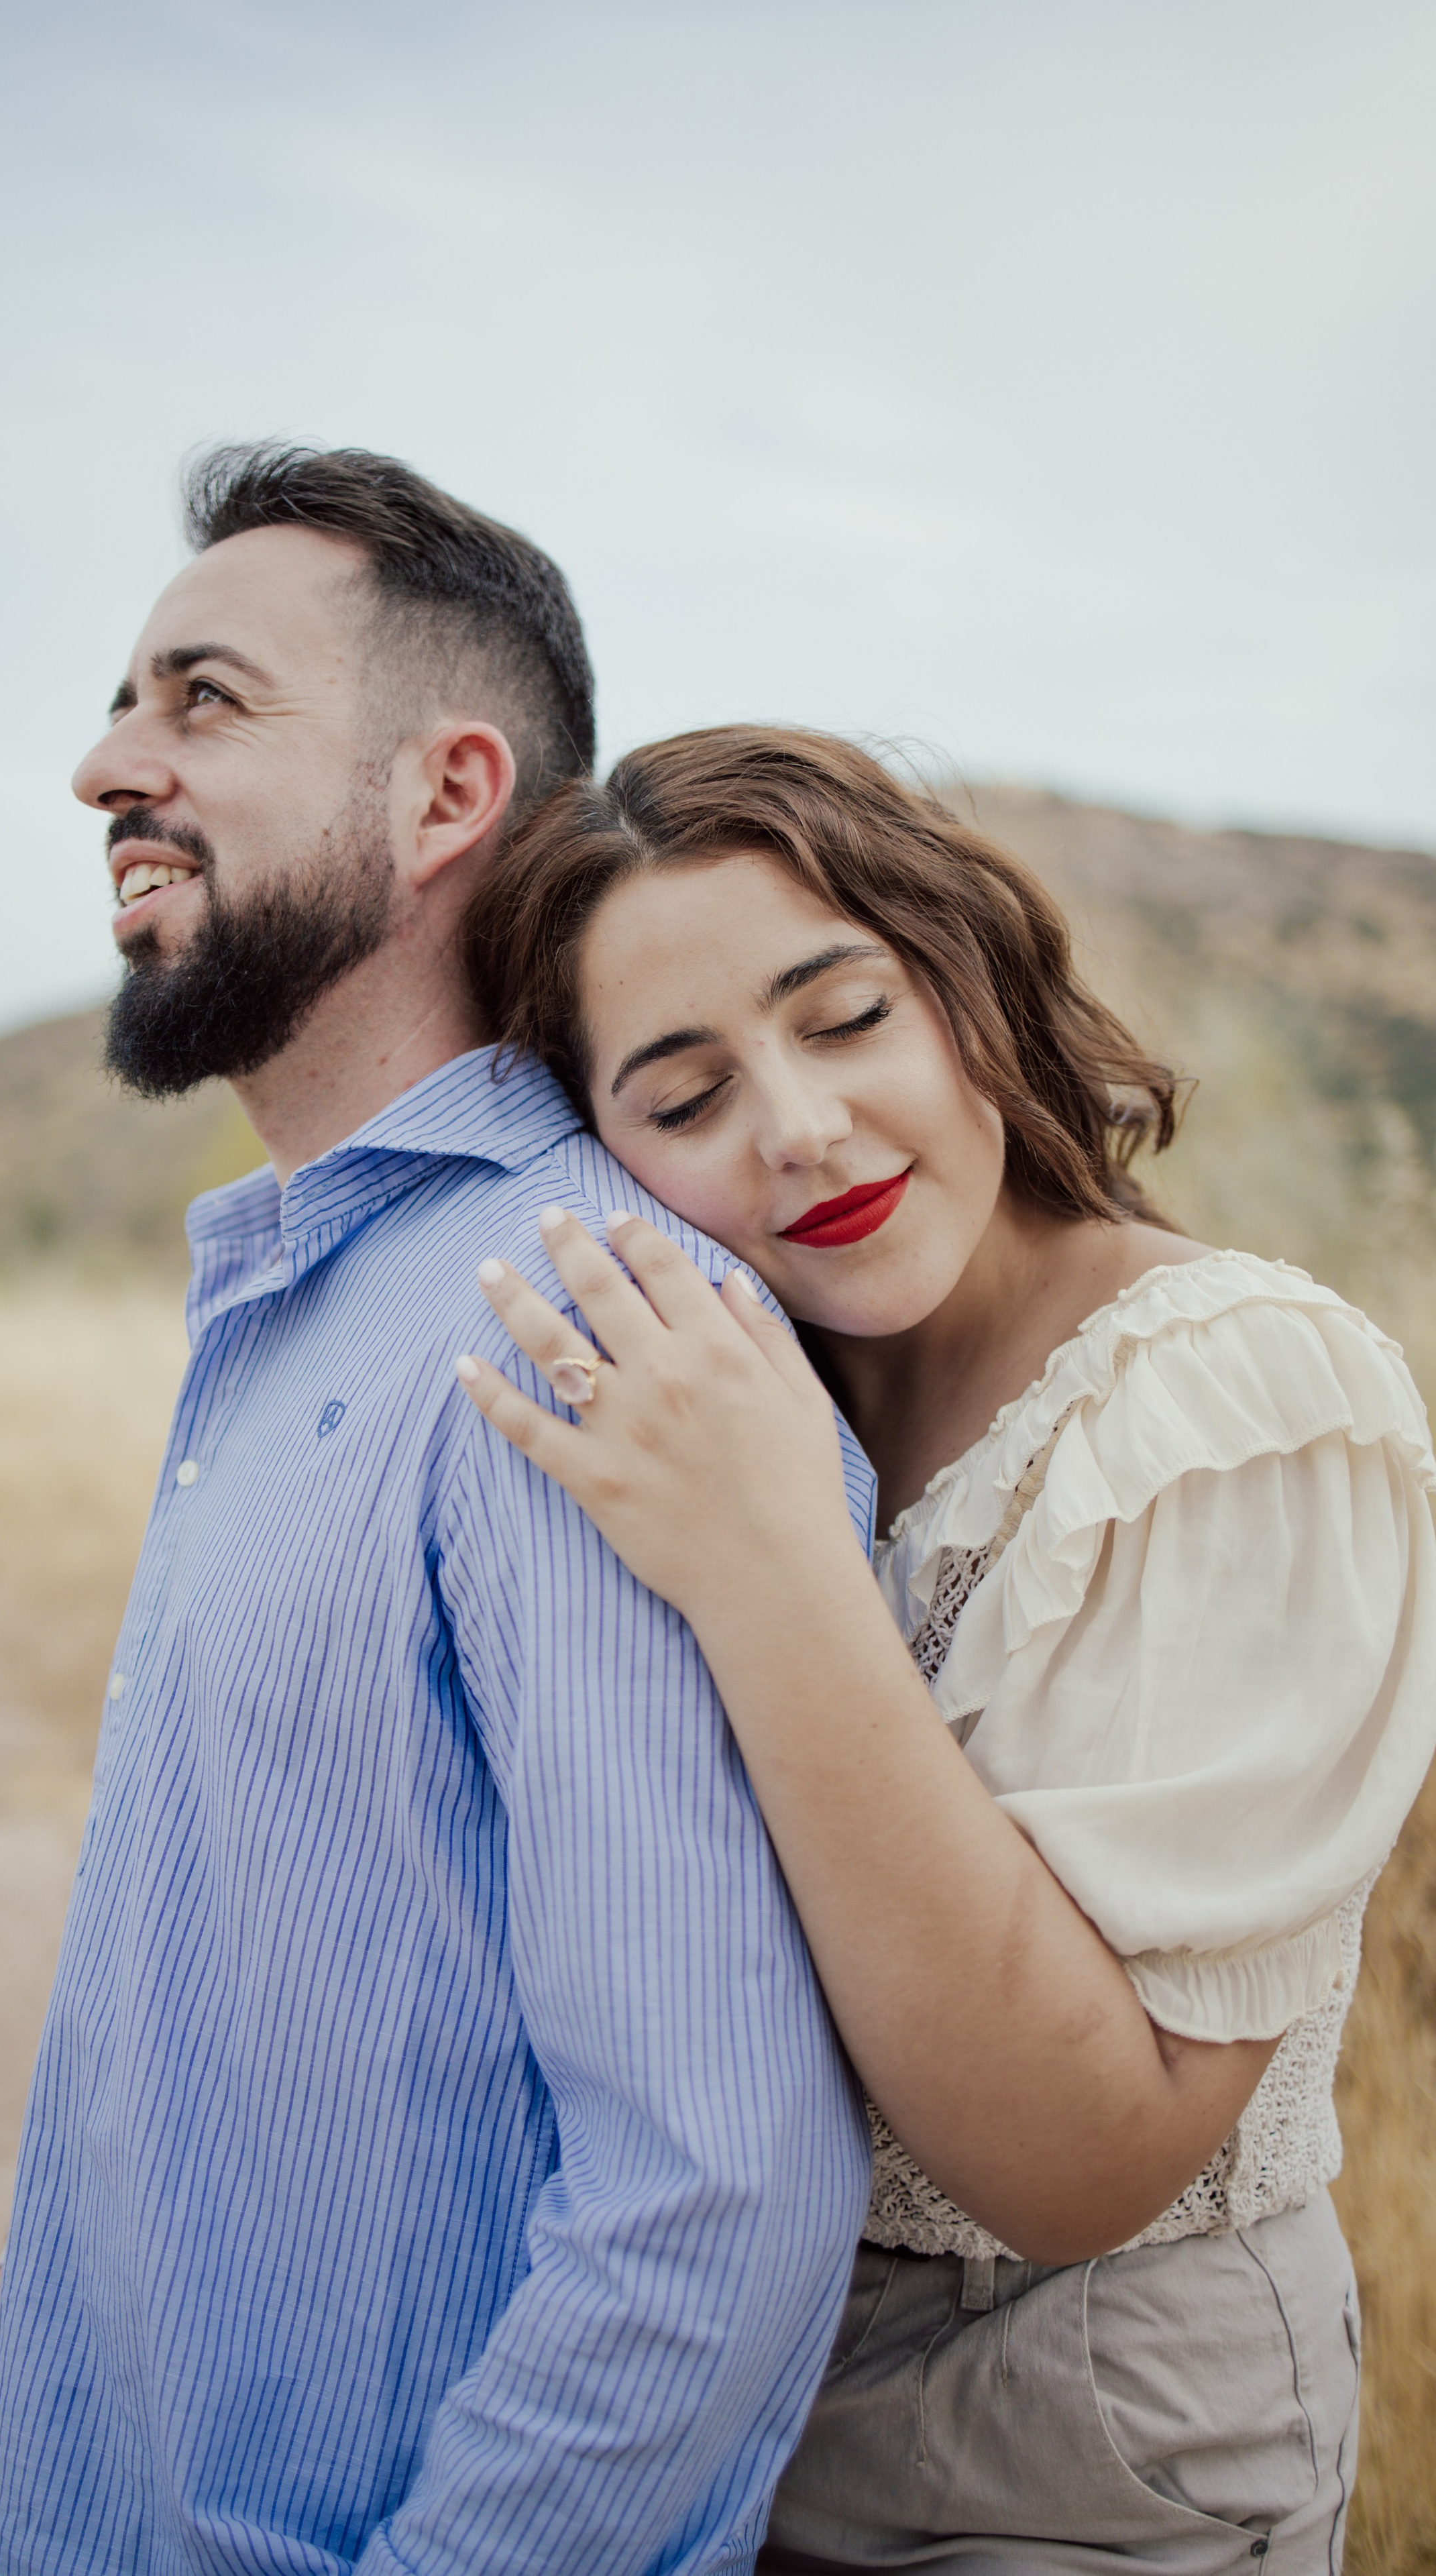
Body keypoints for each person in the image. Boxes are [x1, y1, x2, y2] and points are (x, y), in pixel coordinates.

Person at [0, 466, 871, 2576]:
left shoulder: (588, 1326)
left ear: (448, 795)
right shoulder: (303, 1285)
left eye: (202, 701)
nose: (106, 766)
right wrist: (38, 2356)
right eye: (120, 701)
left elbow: (712, 2209)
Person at [456, 724, 1436, 2572]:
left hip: (1084, 2420)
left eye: (844, 1019)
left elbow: (1083, 2157)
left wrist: (767, 1571)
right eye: (683, 1100)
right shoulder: (741, 1401)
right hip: (730, 2389)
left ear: (966, 981)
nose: (800, 1126)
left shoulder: (1232, 1400)